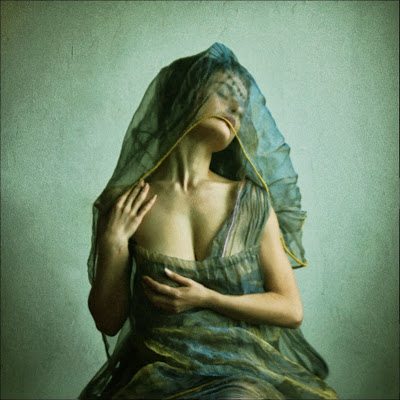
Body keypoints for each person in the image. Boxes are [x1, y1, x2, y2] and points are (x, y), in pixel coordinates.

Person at [79, 43, 338, 399]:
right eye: (225, 94)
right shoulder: (128, 204)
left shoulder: (250, 202)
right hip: (154, 378)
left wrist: (207, 298)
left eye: (242, 106)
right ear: (184, 96)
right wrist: (113, 243)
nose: (236, 109)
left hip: (242, 376)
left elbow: (291, 309)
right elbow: (108, 321)